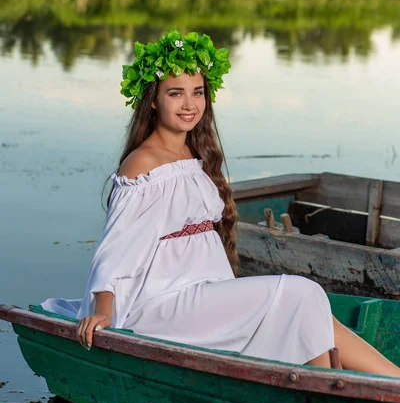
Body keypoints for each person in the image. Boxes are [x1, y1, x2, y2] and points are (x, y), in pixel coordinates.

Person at [41, 30, 400, 376]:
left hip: (203, 288)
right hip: (161, 301)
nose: (189, 104)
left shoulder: (191, 152)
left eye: (198, 93)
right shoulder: (143, 163)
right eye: (175, 94)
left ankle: (376, 382)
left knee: (312, 303)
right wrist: (103, 307)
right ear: (152, 99)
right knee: (302, 292)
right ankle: (339, 390)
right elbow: (115, 248)